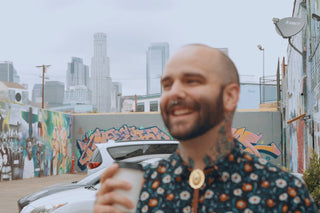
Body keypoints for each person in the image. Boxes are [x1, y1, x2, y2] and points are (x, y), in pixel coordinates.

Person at [94, 44, 318, 212]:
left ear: (230, 96)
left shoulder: (282, 193)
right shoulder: (143, 187)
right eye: (167, 84)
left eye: (192, 81)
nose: (174, 93)